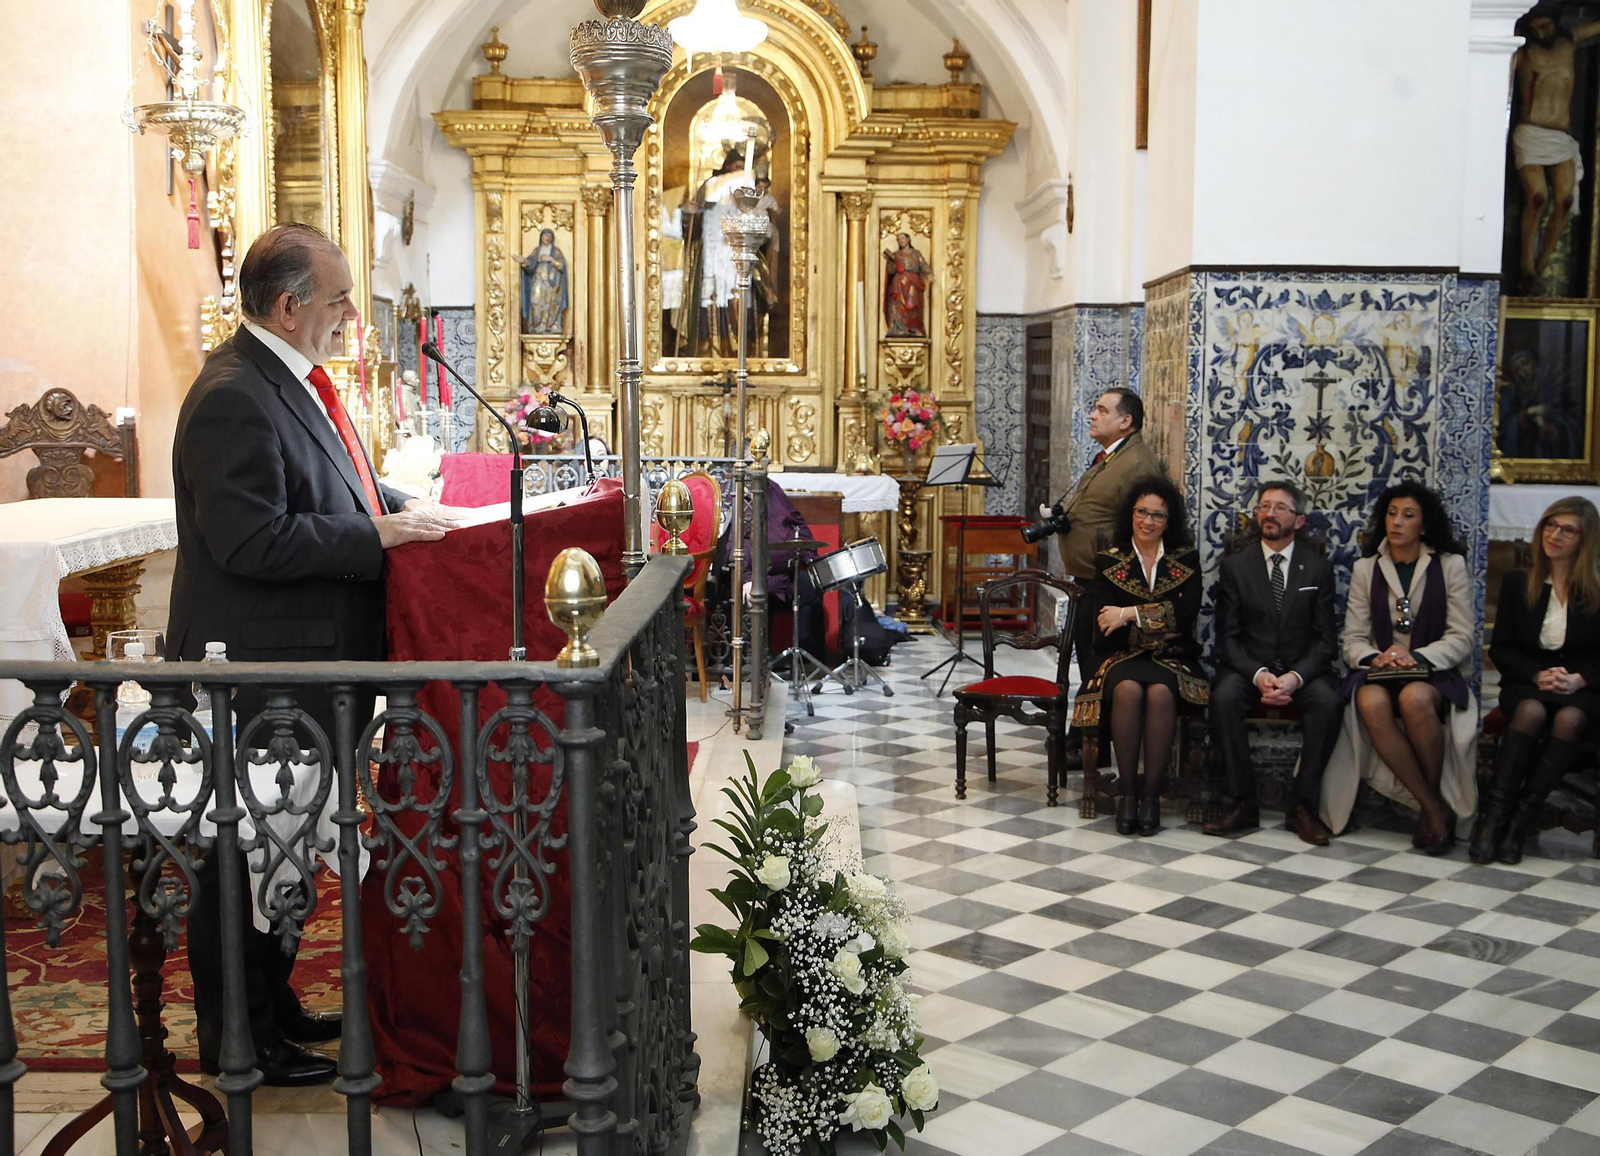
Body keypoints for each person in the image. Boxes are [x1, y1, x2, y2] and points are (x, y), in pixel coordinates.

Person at [169, 223, 461, 1086]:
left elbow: (340, 488)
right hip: (261, 672)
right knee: (244, 855)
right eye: (338, 301)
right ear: (290, 307)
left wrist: (412, 511)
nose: (348, 317)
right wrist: (381, 535)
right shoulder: (232, 394)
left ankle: (276, 1002)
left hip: (307, 667)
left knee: (287, 847)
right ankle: (239, 1037)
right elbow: (250, 539)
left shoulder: (289, 379)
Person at [1320, 482, 1478, 854]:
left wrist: (1417, 657)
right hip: (1380, 670)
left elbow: (1462, 635)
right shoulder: (1366, 568)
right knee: (1370, 702)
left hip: (1432, 671)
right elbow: (1352, 638)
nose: (1397, 522)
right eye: (1391, 514)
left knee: (1413, 699)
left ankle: (1429, 808)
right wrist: (1377, 657)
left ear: (1424, 525)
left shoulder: (1449, 565)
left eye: (1408, 515)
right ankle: (1432, 807)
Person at [1205, 481, 1340, 845]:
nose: (1270, 513)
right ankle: (1241, 801)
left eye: (1281, 508)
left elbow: (1326, 640)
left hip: (1301, 670)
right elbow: (1227, 638)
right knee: (1223, 698)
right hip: (1250, 668)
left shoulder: (1318, 568)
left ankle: (1303, 807)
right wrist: (1258, 674)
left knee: (1328, 702)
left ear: (1299, 520)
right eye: (1264, 506)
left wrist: (1295, 678)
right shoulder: (1236, 567)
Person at [1071, 476, 1207, 836]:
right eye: (1142, 512)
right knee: (1128, 690)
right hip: (1120, 657)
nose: (1148, 521)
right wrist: (1159, 618)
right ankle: (1128, 795)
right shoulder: (1108, 561)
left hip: (1174, 657)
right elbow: (1106, 624)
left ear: (1169, 521)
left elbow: (1186, 615)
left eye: (1158, 515)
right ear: (1130, 514)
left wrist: (1129, 613)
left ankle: (1150, 798)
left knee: (1161, 693)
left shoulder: (1186, 560)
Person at [1476, 497, 1600, 864]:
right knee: (1530, 710)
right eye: (1550, 525)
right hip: (1528, 679)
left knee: (1570, 718)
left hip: (1581, 686)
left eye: (1567, 530)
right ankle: (1494, 818)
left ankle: (1521, 820)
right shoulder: (1518, 582)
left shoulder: (1596, 588)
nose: (1555, 535)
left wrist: (1579, 680)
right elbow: (1501, 648)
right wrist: (1536, 674)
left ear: (1586, 540)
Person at [1044, 388, 1160, 766]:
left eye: (1102, 410)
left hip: (1109, 584)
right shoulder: (1112, 457)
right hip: (1090, 578)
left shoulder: (1137, 464)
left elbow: (1139, 527)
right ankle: (1082, 737)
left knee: (1099, 667)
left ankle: (1091, 746)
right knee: (1089, 664)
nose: (1092, 416)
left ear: (1126, 421)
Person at [1512, 5, 1600, 293]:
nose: (1540, 33)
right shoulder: (1524, 52)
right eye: (1535, 28)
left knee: (1564, 201)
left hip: (1560, 137)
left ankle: (1538, 269)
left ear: (1556, 24)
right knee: (1538, 198)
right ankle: (1526, 266)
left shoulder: (1568, 42)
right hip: (1531, 133)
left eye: (1545, 27)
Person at [883, 232, 933, 337]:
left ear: (908, 239)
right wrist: (890, 262)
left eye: (902, 238)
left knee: (913, 305)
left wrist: (928, 273)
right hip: (899, 283)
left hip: (912, 282)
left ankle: (914, 328)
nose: (901, 241)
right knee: (898, 305)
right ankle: (900, 328)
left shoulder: (915, 253)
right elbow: (891, 271)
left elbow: (923, 264)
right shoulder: (896, 255)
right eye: (899, 239)